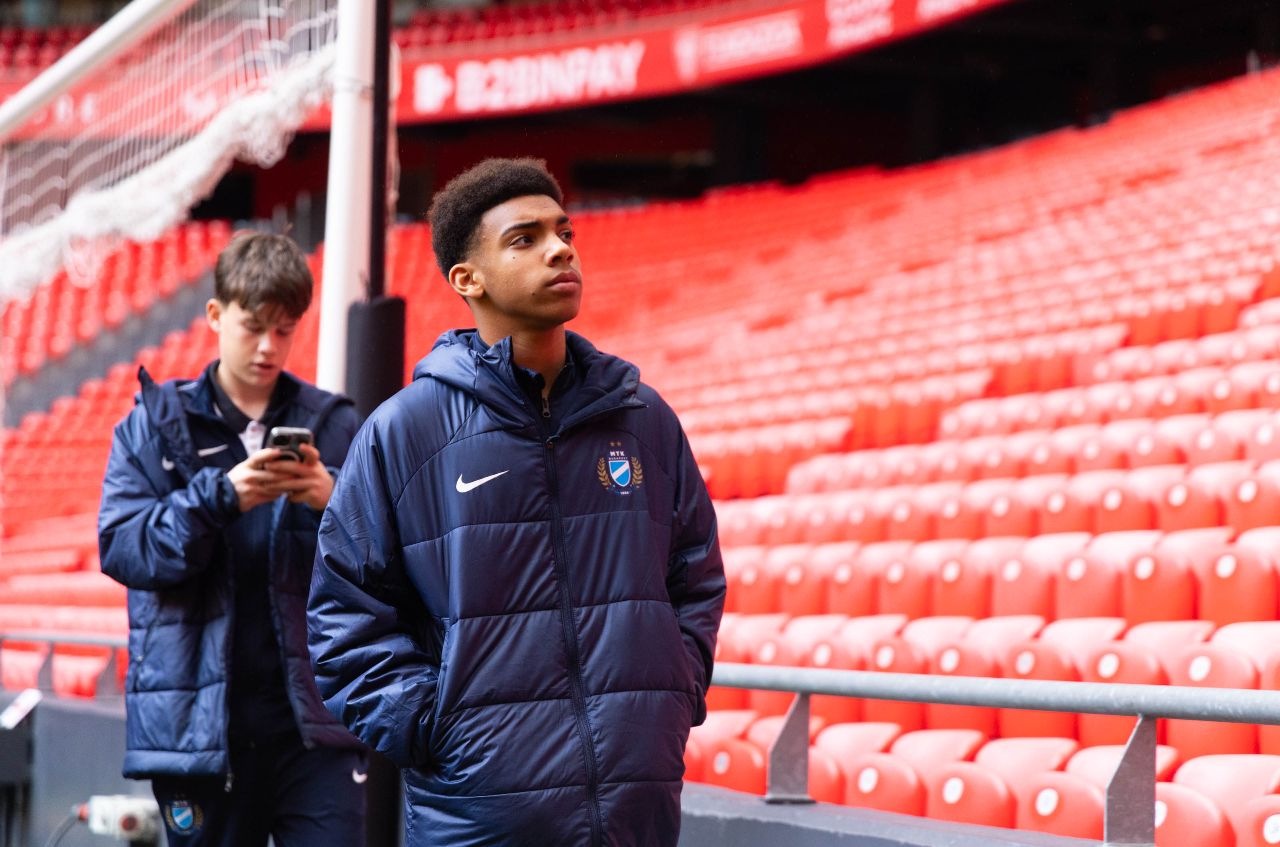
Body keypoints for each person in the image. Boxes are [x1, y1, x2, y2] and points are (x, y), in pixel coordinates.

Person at [308, 158, 726, 846]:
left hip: (635, 808)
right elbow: (344, 617)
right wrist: (435, 726)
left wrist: (671, 697)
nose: (560, 249)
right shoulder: (405, 432)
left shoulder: (642, 417)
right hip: (477, 815)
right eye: (525, 239)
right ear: (466, 279)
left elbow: (696, 575)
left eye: (564, 232)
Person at [98, 232, 367, 847]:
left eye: (284, 330)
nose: (269, 346)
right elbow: (124, 548)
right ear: (216, 315)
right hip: (199, 731)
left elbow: (391, 559)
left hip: (315, 724)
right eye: (254, 327)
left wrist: (334, 500)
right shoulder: (152, 426)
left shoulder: (337, 424)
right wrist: (222, 497)